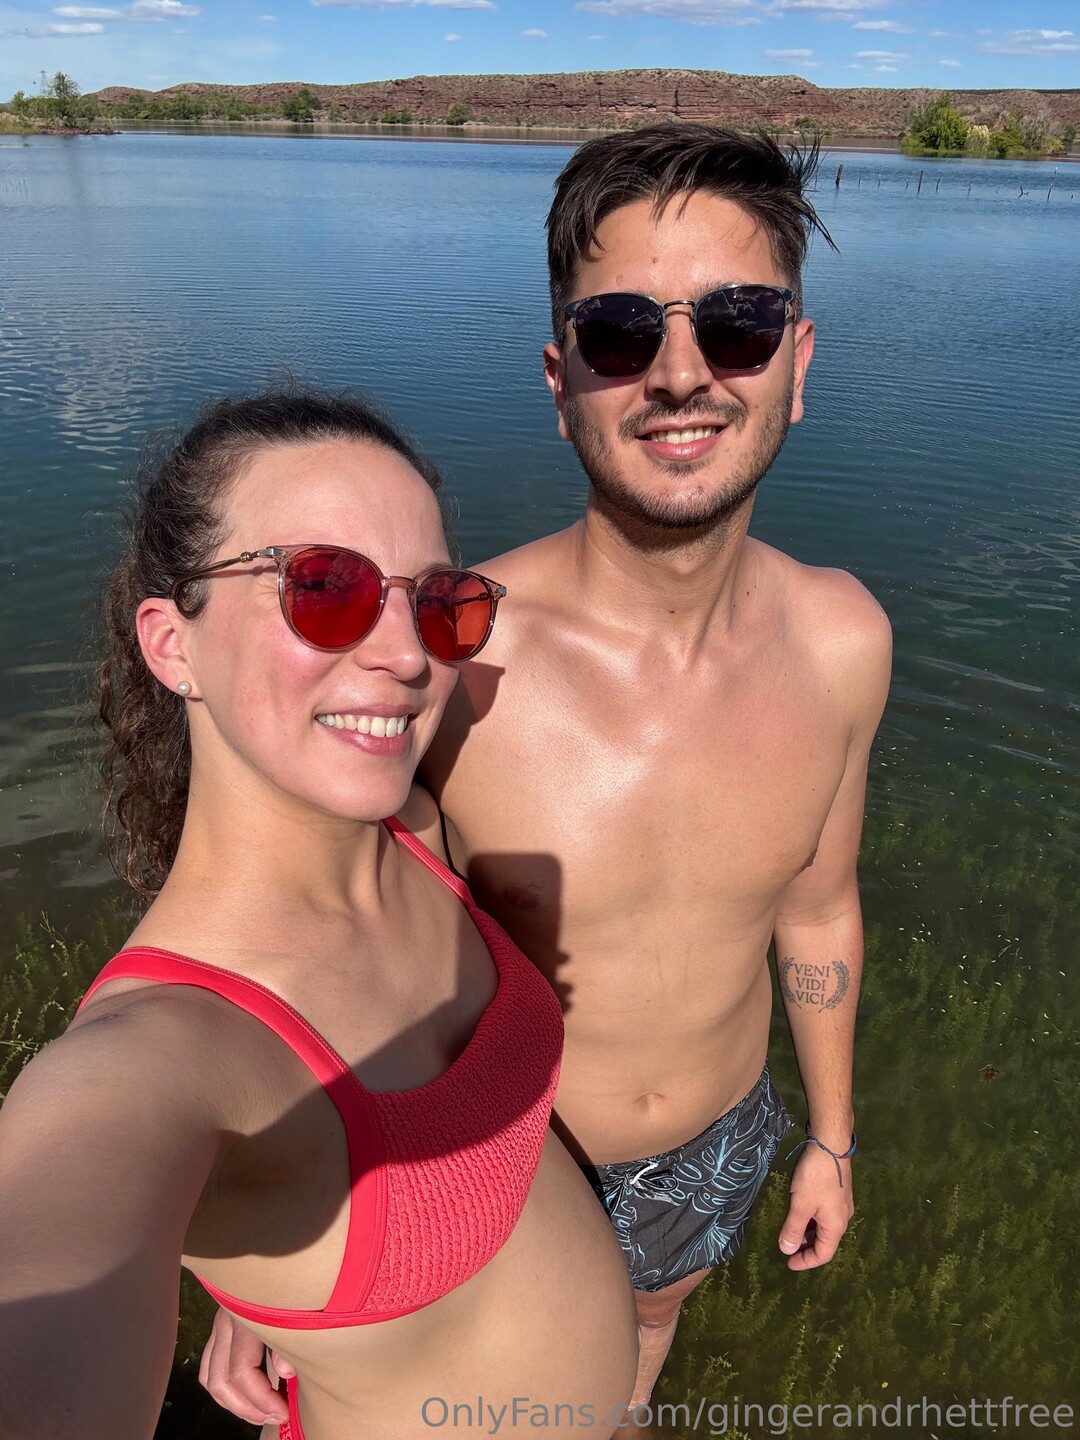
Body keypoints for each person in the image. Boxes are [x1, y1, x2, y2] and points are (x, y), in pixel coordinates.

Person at [206, 124, 893, 1423]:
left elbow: (818, 910)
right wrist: (266, 1235)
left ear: (797, 364)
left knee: (637, 1357)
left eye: (740, 324)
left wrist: (832, 1140)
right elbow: (319, 931)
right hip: (502, 1159)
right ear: (561, 378)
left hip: (717, 1141)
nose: (681, 374)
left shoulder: (845, 641)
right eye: (620, 333)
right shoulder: (451, 652)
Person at [0, 390, 639, 1440]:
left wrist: (278, 1274)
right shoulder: (156, 1062)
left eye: (436, 603)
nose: (411, 657)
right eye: (326, 588)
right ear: (172, 645)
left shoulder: (418, 831)